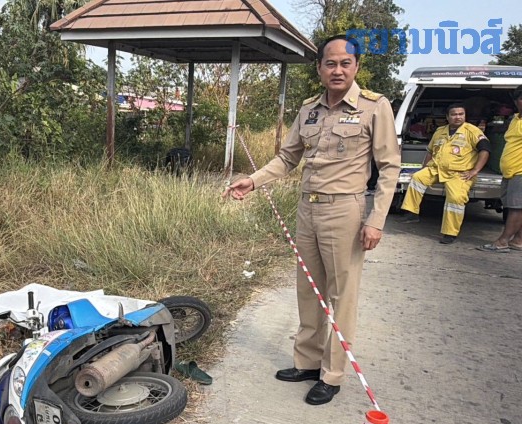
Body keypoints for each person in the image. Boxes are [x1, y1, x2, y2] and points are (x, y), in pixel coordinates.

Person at [222, 35, 400, 405]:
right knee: (309, 290)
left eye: (345, 63)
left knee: (341, 296)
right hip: (308, 209)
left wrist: (376, 219)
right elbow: (288, 157)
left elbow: (389, 166)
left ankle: (331, 374)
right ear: (319, 68)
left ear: (356, 67)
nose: (338, 70)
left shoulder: (374, 107)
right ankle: (307, 361)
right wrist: (252, 181)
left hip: (345, 211)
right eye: (330, 63)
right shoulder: (309, 110)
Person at [398, 103, 491, 244]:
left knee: (455, 198)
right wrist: (424, 168)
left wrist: (475, 170)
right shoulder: (440, 131)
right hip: (436, 169)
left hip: (459, 173)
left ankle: (450, 233)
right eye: (454, 114)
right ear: (447, 117)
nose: (458, 117)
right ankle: (411, 213)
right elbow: (430, 152)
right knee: (417, 177)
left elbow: (485, 150)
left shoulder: (472, 131)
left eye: (461, 114)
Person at [478, 86, 522, 253]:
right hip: (510, 171)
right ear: (516, 102)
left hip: (520, 172)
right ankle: (518, 240)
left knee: (516, 208)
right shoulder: (516, 119)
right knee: (517, 207)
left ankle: (502, 242)